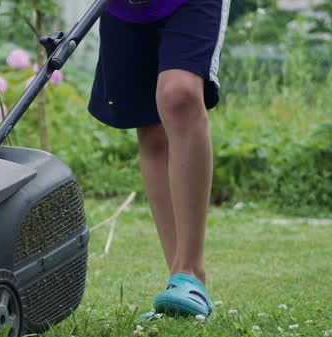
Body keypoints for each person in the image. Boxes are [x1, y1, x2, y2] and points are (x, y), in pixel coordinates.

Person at [88, 0, 229, 319]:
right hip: (124, 7)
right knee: (151, 126)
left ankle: (191, 273)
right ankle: (179, 283)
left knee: (179, 94)